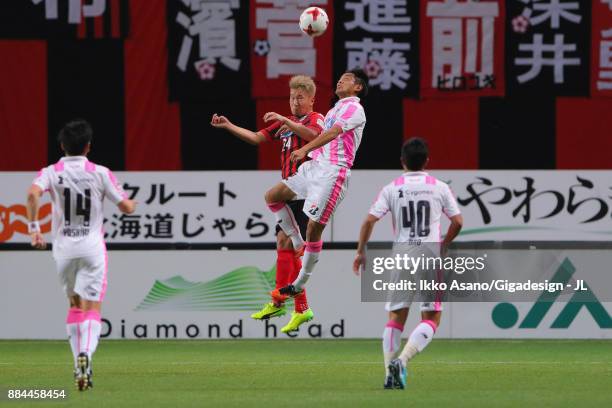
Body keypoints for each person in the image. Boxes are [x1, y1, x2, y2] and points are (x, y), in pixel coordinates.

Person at [27, 119, 136, 391]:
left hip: (63, 250)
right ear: (88, 147)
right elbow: (125, 207)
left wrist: (34, 230)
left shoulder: (51, 172)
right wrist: (132, 203)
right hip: (91, 248)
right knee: (92, 309)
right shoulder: (99, 172)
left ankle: (78, 360)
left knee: (75, 306)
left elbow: (32, 195)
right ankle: (85, 356)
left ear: (62, 146)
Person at [210, 75, 324, 333]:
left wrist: (285, 120)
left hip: (306, 191)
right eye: (292, 97)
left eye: (300, 98)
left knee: (277, 209)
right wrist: (228, 125)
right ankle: (290, 305)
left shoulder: (314, 119)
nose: (295, 102)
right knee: (283, 245)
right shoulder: (286, 124)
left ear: (311, 100)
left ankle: (290, 299)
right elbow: (256, 138)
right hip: (292, 191)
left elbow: (314, 135)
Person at [352, 137, 463, 390]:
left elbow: (369, 221)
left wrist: (360, 252)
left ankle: (388, 374)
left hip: (402, 255)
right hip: (429, 255)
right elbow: (458, 222)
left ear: (402, 162)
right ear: (426, 161)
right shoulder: (439, 187)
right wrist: (443, 244)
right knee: (432, 318)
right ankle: (402, 360)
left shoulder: (392, 187)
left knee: (395, 319)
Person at [265, 69, 368, 304]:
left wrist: (304, 150)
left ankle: (299, 283)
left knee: (313, 228)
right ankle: (297, 242)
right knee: (273, 195)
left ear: (358, 87)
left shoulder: (355, 108)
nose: (340, 79)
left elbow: (332, 133)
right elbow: (322, 133)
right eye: (340, 76)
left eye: (348, 78)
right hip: (315, 167)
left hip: (333, 173)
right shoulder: (334, 109)